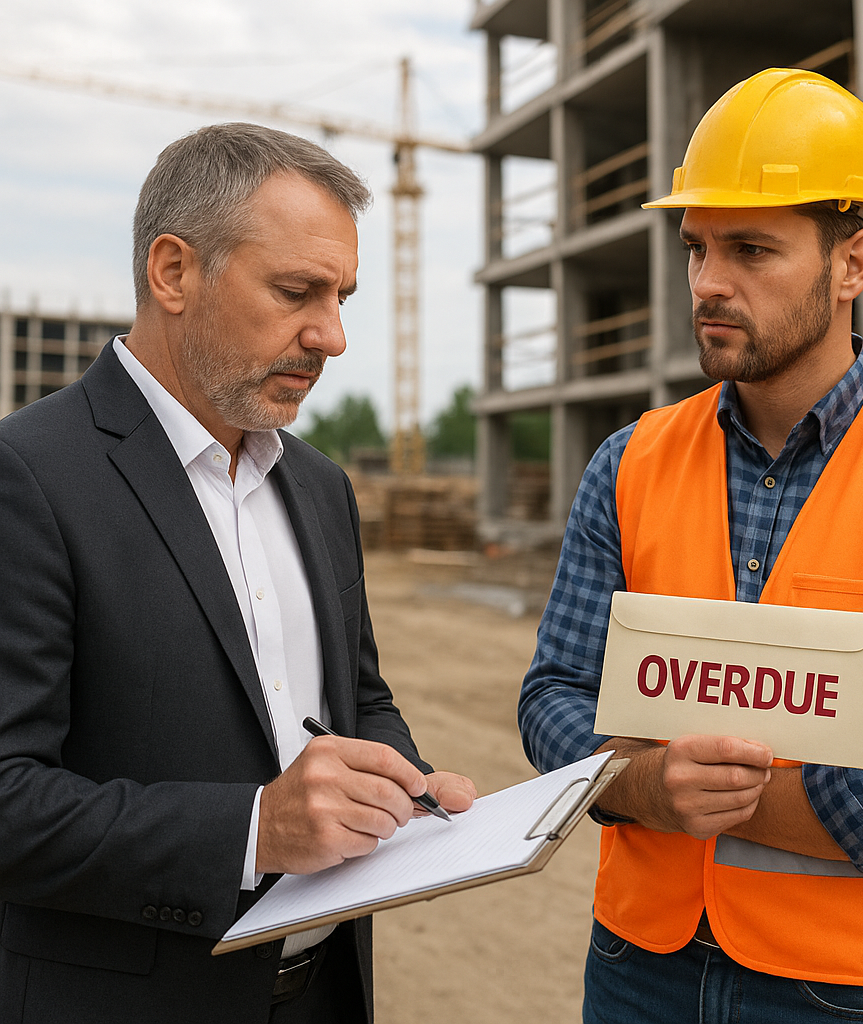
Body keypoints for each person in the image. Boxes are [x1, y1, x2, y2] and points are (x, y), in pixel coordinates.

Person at [519, 68, 863, 1023]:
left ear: (854, 262)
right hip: (640, 970)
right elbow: (553, 696)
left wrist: (693, 790)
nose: (710, 282)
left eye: (752, 249)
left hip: (857, 992)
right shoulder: (630, 461)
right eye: (698, 248)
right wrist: (648, 788)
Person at [0, 122, 476, 1024]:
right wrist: (255, 830)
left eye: (342, 297)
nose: (332, 336)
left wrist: (409, 783)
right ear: (173, 272)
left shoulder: (321, 487)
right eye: (298, 291)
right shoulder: (28, 476)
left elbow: (358, 697)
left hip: (325, 996)